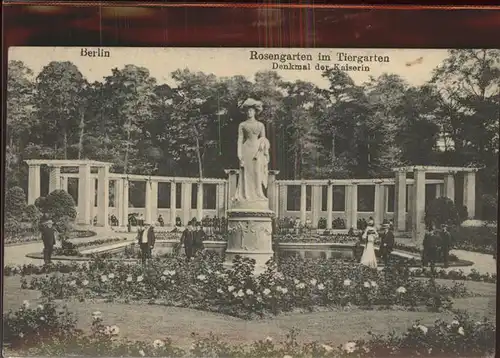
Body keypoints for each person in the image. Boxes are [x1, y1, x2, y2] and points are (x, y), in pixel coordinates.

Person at [234, 98, 270, 204]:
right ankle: (245, 194)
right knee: (246, 172)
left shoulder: (260, 125)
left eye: (251, 110)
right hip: (246, 150)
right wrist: (239, 155)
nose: (249, 112)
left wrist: (262, 146)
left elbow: (263, 139)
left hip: (257, 150)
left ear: (255, 112)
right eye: (248, 110)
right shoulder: (242, 125)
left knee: (257, 172)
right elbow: (240, 140)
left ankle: (258, 194)